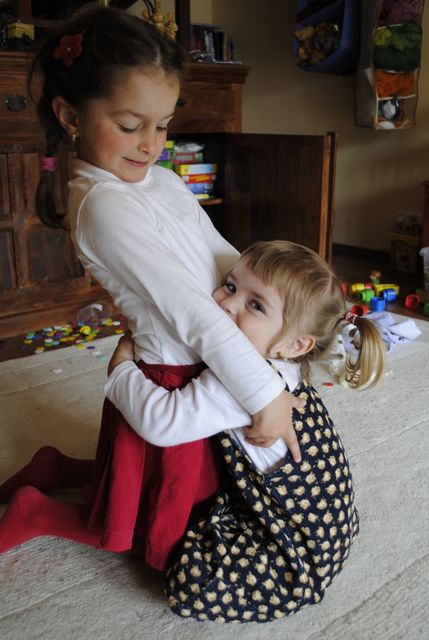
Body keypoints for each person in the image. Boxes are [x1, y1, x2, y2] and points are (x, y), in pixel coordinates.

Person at [0, 6, 304, 568]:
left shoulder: (162, 180)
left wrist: (289, 312)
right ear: (70, 115)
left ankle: (56, 468)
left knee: (139, 483)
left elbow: (226, 259)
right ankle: (35, 511)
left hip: (213, 356)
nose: (150, 144)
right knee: (158, 530)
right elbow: (192, 312)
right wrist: (264, 394)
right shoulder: (103, 207)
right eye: (129, 125)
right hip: (174, 374)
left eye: (162, 125)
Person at [105, 240, 386, 623]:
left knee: (191, 582)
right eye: (230, 285)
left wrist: (121, 371)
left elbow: (162, 421)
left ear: (295, 344)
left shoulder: (238, 383)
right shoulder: (287, 365)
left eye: (255, 305)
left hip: (297, 549)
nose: (226, 303)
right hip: (334, 520)